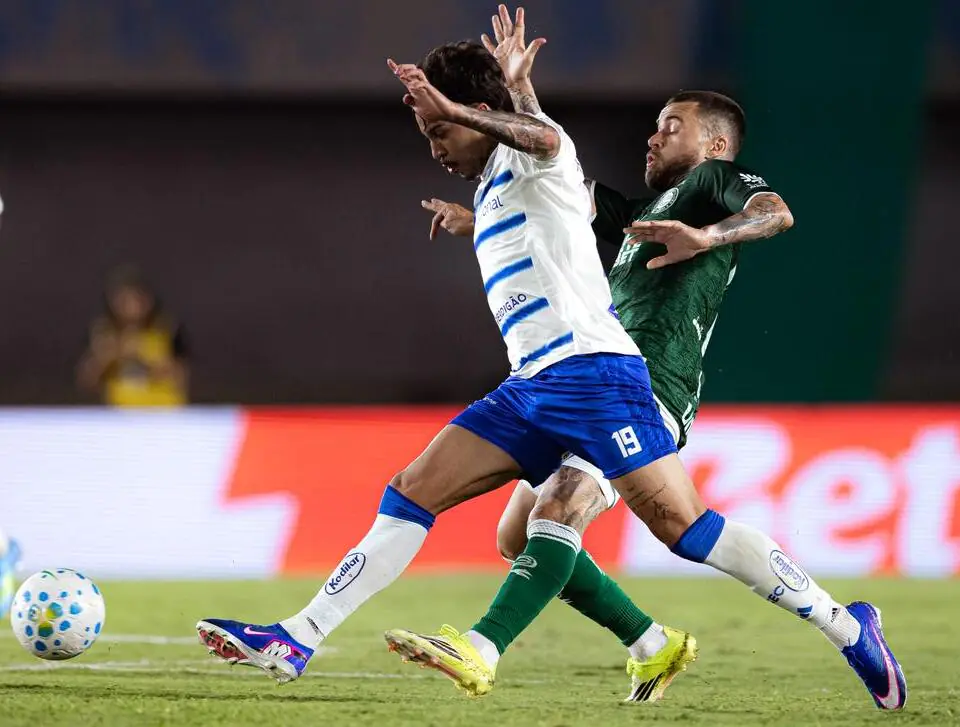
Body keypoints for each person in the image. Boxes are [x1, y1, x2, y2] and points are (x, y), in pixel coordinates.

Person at [384, 5, 906, 712]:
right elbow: (549, 195)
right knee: (522, 535)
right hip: (586, 376)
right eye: (655, 123)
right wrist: (488, 189)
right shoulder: (638, 208)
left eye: (673, 124)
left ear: (715, 142)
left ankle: (481, 648)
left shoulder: (715, 184)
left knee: (572, 509)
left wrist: (709, 237)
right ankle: (653, 640)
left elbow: (776, 212)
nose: (653, 134)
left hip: (645, 382)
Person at [196, 36, 688, 698]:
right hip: (532, 384)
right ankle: (299, 634)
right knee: (414, 488)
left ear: (474, 111)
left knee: (640, 529)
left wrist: (498, 97)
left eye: (438, 129)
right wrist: (472, 216)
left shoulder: (536, 151)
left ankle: (830, 622)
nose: (433, 146)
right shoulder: (493, 183)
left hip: (596, 375)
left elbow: (538, 136)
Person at [77, 267, 190, 407]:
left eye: (136, 300)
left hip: (162, 413)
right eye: (124, 301)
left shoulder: (167, 328)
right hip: (118, 415)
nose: (131, 308)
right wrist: (110, 355)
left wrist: (146, 358)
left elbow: (182, 377)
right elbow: (87, 381)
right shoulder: (104, 332)